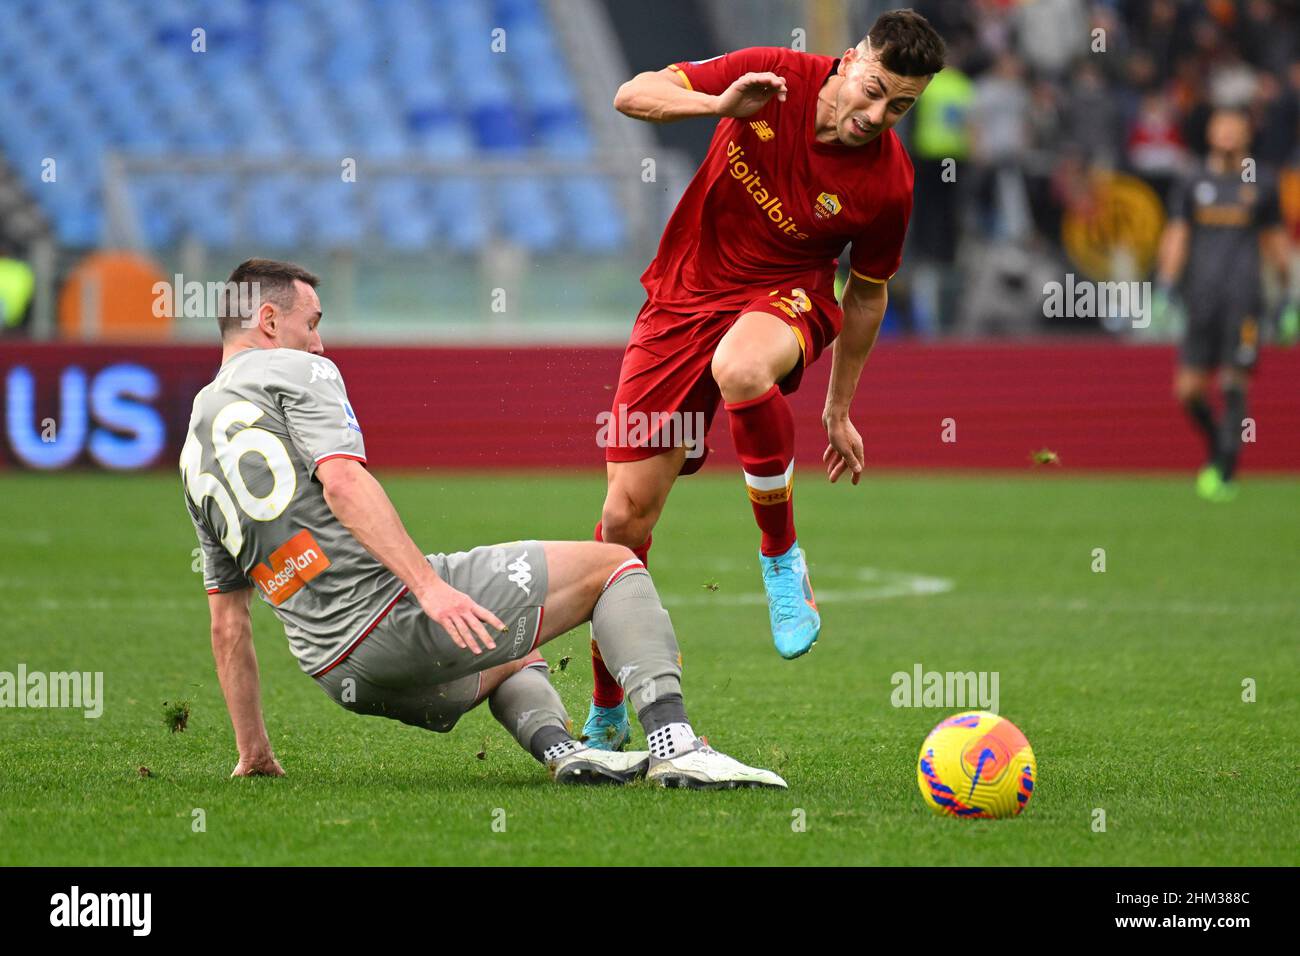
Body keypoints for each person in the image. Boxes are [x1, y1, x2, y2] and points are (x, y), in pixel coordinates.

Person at [181, 258, 785, 789]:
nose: (319, 344)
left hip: (339, 673)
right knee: (615, 566)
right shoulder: (295, 371)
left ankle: (565, 751)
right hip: (392, 623)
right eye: (312, 324)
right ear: (267, 321)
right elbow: (342, 482)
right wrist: (428, 587)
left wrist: (253, 750)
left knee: (508, 646)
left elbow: (227, 622)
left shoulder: (192, 454)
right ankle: (675, 747)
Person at [583, 10, 946, 748]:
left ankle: (782, 562)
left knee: (742, 367)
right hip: (678, 303)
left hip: (786, 298)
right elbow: (632, 93)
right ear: (847, 61)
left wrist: (839, 408)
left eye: (900, 106)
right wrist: (717, 107)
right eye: (874, 90)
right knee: (624, 522)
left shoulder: (889, 185)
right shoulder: (767, 78)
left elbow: (867, 292)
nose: (877, 116)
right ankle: (607, 709)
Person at [1155, 107, 1297, 501]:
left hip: (1244, 298)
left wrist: (1288, 296)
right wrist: (1165, 283)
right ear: (1212, 135)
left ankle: (1226, 469)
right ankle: (1219, 445)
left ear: (1247, 134)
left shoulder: (1262, 182)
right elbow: (1177, 235)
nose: (1229, 134)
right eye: (1223, 127)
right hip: (1201, 299)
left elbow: (1275, 244)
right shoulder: (1193, 181)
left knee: (1235, 381)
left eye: (1236, 127)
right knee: (1187, 391)